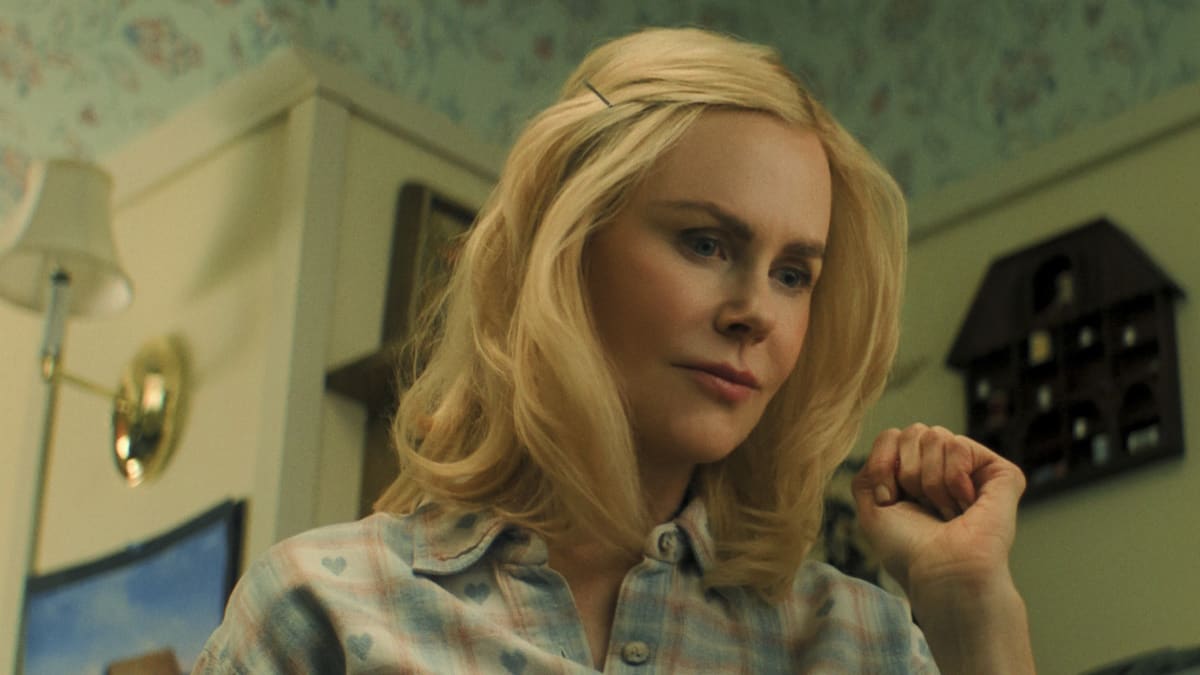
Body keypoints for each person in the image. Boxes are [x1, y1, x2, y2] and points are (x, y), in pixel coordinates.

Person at [194, 27, 1034, 674]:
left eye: (792, 274)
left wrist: (971, 610)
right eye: (706, 243)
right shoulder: (322, 605)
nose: (755, 313)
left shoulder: (856, 640)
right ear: (566, 249)